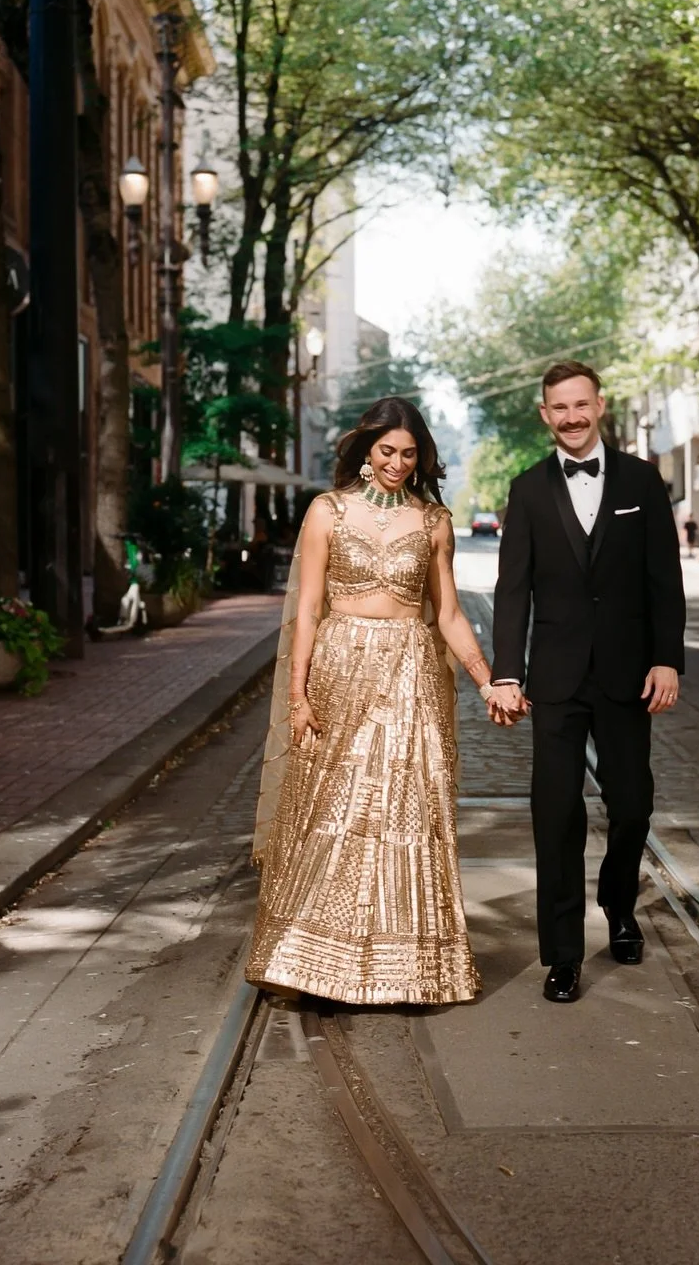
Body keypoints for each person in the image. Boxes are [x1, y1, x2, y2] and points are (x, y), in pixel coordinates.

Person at [246, 397, 506, 1005]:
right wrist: (298, 693)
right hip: (340, 669)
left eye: (408, 453)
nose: (396, 462)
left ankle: (407, 969)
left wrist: (484, 678)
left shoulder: (434, 520)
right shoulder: (327, 512)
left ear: (421, 458)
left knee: (404, 812)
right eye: (387, 450)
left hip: (413, 675)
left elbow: (447, 612)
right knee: (332, 808)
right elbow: (308, 608)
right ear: (366, 450)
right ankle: (307, 959)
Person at [489, 362, 686, 1005]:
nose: (571, 417)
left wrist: (667, 659)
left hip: (629, 676)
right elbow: (512, 589)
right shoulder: (526, 490)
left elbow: (664, 579)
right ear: (544, 415)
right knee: (555, 814)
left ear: (599, 405)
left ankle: (620, 906)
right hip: (554, 679)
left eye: (581, 405)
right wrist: (507, 673)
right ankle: (563, 954)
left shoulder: (642, 481)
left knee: (632, 807)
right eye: (558, 408)